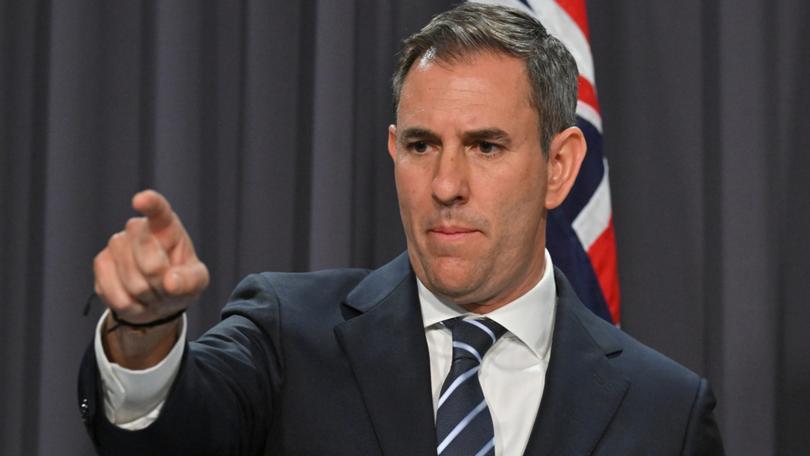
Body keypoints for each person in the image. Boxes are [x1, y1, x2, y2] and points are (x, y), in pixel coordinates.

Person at [78, 3, 724, 455]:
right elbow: (174, 436)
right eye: (421, 146)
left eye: (485, 146)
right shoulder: (287, 334)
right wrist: (146, 333)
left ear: (559, 167)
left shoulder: (662, 410)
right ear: (393, 150)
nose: (445, 184)